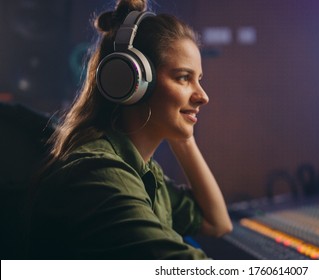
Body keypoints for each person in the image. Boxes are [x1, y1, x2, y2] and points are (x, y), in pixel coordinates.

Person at [27, 0, 232, 259]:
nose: (203, 96)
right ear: (132, 82)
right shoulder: (99, 174)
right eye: (183, 78)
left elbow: (218, 223)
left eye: (198, 80)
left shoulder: (142, 170)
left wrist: (184, 137)